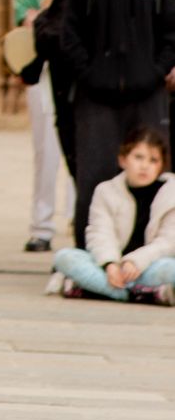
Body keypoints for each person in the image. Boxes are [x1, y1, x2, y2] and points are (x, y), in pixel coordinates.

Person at [59, 0, 175, 245]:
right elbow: (71, 35)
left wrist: (154, 73)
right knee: (95, 171)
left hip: (146, 94)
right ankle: (92, 250)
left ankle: (150, 250)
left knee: (150, 171)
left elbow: (171, 36)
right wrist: (90, 74)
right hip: (97, 96)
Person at [11, 0, 78, 254]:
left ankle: (78, 218)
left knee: (82, 146)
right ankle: (42, 225)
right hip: (45, 71)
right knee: (46, 150)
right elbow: (26, 26)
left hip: (75, 71)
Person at [52, 129, 175, 303]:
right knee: (65, 257)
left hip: (150, 266)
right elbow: (99, 233)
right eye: (138, 157)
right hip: (112, 268)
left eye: (153, 160)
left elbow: (168, 242)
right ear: (123, 160)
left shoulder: (171, 194)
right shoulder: (106, 191)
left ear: (161, 166)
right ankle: (141, 294)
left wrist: (136, 262)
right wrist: (110, 264)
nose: (144, 166)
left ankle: (92, 289)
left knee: (171, 269)